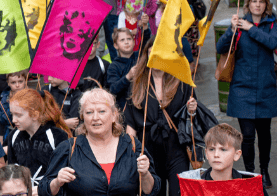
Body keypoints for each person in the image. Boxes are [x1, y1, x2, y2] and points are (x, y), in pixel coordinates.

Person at [39, 88, 160, 196]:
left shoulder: (132, 146)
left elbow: (152, 190)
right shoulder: (69, 148)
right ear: (82, 117)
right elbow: (43, 190)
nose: (95, 117)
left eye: (102, 111)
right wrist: (57, 182)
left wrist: (145, 175)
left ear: (113, 116)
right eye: (89, 112)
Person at [215, 0, 277, 188]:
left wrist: (252, 29)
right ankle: (250, 174)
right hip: (242, 89)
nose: (257, 4)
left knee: (265, 135)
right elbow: (220, 48)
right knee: (248, 136)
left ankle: (265, 171)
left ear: (265, 4)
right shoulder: (239, 25)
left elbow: (272, 43)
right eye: (254, 1)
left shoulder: (271, 24)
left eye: (261, 1)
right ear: (248, 4)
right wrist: (232, 31)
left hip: (265, 88)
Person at [123, 36, 197, 196]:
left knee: (179, 192)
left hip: (176, 147)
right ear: (147, 56)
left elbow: (191, 116)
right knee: (155, 193)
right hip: (148, 150)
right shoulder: (138, 84)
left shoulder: (181, 80)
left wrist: (192, 110)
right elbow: (130, 122)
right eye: (151, 53)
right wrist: (131, 152)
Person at [7, 88, 70, 187]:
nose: (13, 120)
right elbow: (11, 167)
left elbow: (63, 170)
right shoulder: (14, 136)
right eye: (12, 114)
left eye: (18, 115)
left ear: (35, 115)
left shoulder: (57, 136)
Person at [194, 123, 269, 193]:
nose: (216, 155)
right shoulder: (193, 186)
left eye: (223, 149)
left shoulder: (251, 186)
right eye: (211, 149)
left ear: (236, 155)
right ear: (206, 153)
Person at [106, 28, 148, 109]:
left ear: (133, 41)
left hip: (142, 104)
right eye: (122, 40)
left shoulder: (139, 57)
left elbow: (146, 44)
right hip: (124, 107)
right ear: (116, 45)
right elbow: (112, 89)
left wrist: (145, 28)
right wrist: (128, 77)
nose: (126, 42)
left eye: (129, 39)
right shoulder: (114, 66)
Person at [0, 69, 28, 142]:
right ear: (8, 83)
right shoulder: (5, 97)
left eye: (20, 81)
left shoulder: (30, 96)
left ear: (25, 81)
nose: (17, 85)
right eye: (13, 82)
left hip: (27, 133)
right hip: (10, 132)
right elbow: (2, 119)